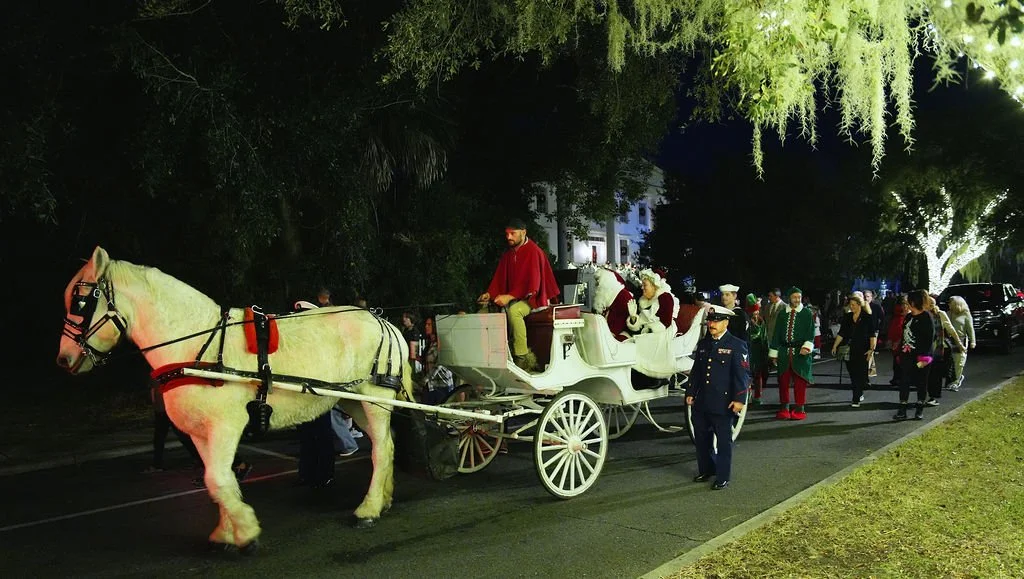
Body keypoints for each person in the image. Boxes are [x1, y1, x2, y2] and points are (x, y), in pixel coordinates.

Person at [477, 218, 561, 372]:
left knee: (515, 311)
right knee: (489, 311)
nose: (509, 237)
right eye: (507, 234)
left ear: (523, 232)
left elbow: (533, 286)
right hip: (517, 298)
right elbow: (499, 278)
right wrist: (490, 293)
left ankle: (522, 357)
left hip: (535, 299)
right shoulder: (509, 255)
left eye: (512, 233)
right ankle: (495, 353)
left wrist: (509, 297)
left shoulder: (534, 252)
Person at [685, 304, 750, 490]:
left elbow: (742, 376)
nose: (712, 324)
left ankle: (722, 476)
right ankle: (707, 469)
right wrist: (690, 392)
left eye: (716, 320)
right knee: (702, 439)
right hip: (702, 401)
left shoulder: (737, 345)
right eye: (710, 320)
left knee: (723, 442)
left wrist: (739, 400)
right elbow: (697, 371)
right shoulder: (704, 344)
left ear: (726, 322)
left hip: (723, 403)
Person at [768, 286, 816, 420]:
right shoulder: (783, 313)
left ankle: (800, 408)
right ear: (789, 298)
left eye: (799, 297)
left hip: (800, 353)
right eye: (794, 297)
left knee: (800, 381)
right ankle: (784, 408)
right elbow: (776, 333)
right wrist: (774, 352)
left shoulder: (806, 313)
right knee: (783, 381)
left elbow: (810, 332)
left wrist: (807, 347)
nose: (797, 299)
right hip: (784, 352)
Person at [144, 379, 202, 473]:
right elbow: (153, 389)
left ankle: (157, 464)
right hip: (162, 409)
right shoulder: (155, 372)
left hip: (167, 409)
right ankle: (199, 459)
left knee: (166, 437)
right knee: (163, 438)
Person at [830, 293, 877, 407]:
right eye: (851, 305)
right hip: (849, 349)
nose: (852, 307)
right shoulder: (847, 317)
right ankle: (858, 392)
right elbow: (842, 333)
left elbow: (872, 335)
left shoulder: (867, 317)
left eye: (854, 305)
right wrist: (835, 345)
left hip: (863, 349)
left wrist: (872, 349)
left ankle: (856, 397)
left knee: (860, 373)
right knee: (852, 374)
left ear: (860, 305)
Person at [895, 290, 934, 421]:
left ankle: (919, 408)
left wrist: (924, 358)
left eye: (908, 302)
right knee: (904, 381)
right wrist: (901, 351)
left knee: (921, 382)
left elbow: (929, 339)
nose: (905, 305)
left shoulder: (926, 317)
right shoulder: (908, 317)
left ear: (912, 302)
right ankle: (902, 408)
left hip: (921, 356)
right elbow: (904, 335)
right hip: (907, 355)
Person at [924, 294, 963, 406]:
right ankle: (923, 396)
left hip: (938, 349)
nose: (930, 305)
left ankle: (933, 397)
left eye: (932, 303)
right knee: (924, 373)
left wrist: (959, 343)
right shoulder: (922, 315)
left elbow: (950, 329)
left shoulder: (940, 314)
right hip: (925, 349)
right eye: (928, 303)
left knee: (935, 374)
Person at [626, 268, 680, 335]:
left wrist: (648, 331)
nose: (642, 287)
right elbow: (639, 327)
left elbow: (665, 324)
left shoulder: (665, 298)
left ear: (654, 286)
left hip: (661, 336)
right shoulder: (642, 301)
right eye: (642, 285)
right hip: (644, 336)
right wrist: (633, 318)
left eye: (645, 285)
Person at [592, 267, 635, 341]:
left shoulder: (623, 296)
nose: (596, 285)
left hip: (619, 337)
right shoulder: (602, 297)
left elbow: (622, 322)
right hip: (603, 334)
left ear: (606, 283)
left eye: (598, 282)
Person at [946, 295, 976, 391]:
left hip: (961, 339)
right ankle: (951, 379)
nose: (949, 305)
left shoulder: (965, 314)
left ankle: (956, 381)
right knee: (950, 361)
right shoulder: (948, 313)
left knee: (959, 361)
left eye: (950, 303)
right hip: (949, 340)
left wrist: (973, 341)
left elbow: (970, 328)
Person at [746, 301, 769, 405]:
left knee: (758, 374)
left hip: (759, 350)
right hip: (749, 349)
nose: (756, 313)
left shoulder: (761, 321)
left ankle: (757, 396)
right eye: (754, 311)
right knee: (748, 374)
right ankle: (747, 395)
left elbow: (764, 336)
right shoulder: (748, 323)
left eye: (757, 311)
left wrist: (766, 349)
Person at [886, 294, 909, 387]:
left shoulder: (896, 310)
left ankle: (897, 378)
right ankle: (900, 378)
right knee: (901, 359)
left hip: (896, 330)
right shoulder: (905, 310)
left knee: (897, 359)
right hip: (900, 332)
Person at [863, 289, 885, 379]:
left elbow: (882, 318)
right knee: (866, 349)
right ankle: (870, 370)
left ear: (871, 297)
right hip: (864, 331)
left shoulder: (876, 306)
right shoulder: (861, 307)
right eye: (864, 296)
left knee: (871, 350)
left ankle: (868, 371)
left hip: (874, 331)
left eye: (868, 296)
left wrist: (879, 329)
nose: (866, 298)